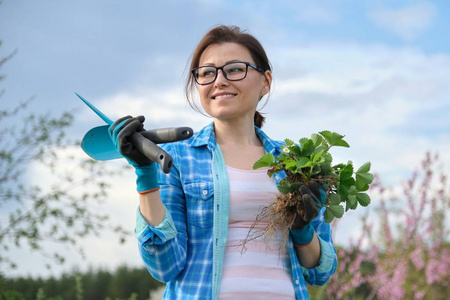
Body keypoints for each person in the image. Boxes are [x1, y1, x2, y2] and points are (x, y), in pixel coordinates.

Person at [109, 25, 337, 300]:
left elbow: (320, 271)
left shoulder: (298, 163)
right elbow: (164, 265)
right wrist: (146, 175)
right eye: (207, 73)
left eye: (234, 69)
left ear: (265, 81)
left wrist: (301, 230)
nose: (219, 81)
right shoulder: (177, 158)